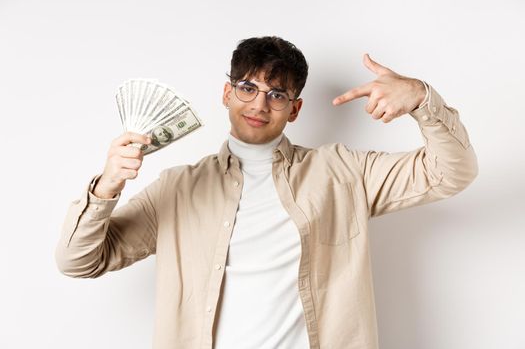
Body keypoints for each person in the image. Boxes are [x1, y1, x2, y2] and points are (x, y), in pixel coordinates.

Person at [55, 36, 478, 349]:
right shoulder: (178, 189)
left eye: (277, 94)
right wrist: (106, 187)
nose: (259, 105)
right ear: (227, 93)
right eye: (248, 88)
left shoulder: (344, 171)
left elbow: (450, 173)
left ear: (295, 109)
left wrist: (422, 98)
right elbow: (78, 262)